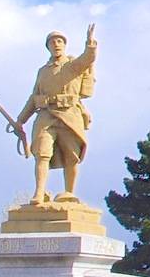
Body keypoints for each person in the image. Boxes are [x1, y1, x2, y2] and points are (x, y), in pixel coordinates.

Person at [15, 24, 97, 204]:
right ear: (48, 47)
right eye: (52, 42)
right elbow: (33, 97)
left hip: (69, 115)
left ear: (64, 45)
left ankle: (69, 192)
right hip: (46, 115)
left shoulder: (73, 65)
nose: (56, 44)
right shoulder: (43, 71)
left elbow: (88, 58)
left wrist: (90, 43)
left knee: (72, 155)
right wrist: (21, 119)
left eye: (59, 41)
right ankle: (39, 193)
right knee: (42, 153)